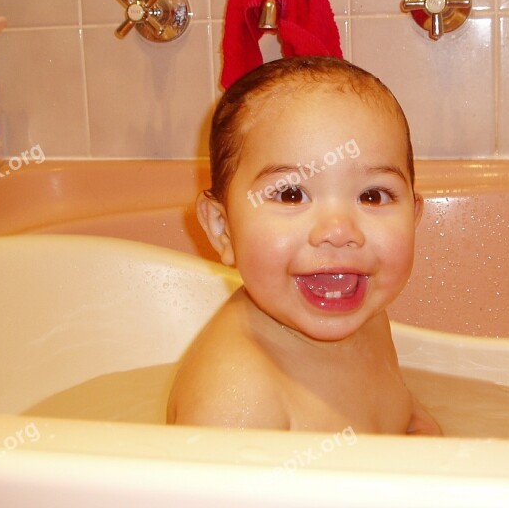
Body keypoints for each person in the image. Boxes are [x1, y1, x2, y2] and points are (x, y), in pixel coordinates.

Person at [167, 56, 441, 435]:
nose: (340, 231)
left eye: (373, 196)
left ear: (413, 217)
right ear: (223, 228)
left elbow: (399, 408)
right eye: (292, 195)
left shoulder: (360, 307)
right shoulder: (235, 402)